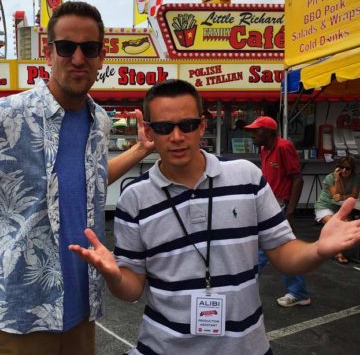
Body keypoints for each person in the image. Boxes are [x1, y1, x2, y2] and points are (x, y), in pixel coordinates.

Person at [0, 1, 153, 354]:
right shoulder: (2, 117)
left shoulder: (100, 122)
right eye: (66, 47)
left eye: (89, 49)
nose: (77, 58)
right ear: (49, 52)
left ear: (101, 57)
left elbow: (90, 178)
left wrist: (138, 150)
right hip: (17, 316)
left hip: (80, 314)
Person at [69, 79, 360, 354]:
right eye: (164, 127)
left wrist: (318, 249)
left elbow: (284, 252)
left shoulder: (245, 177)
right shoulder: (134, 197)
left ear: (202, 126)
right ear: (149, 131)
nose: (177, 136)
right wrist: (114, 276)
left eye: (188, 125)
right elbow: (131, 289)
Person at [245, 116, 310, 308]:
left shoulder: (283, 147)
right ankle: (299, 292)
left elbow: (298, 179)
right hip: (268, 204)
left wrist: (290, 212)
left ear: (270, 132)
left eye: (256, 131)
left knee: (264, 249)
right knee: (279, 249)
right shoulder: (265, 149)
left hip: (280, 207)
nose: (252, 136)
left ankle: (240, 286)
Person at [315, 156, 360, 264]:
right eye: (342, 167)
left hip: (340, 209)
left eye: (347, 168)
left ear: (352, 169)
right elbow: (335, 195)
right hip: (325, 206)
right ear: (337, 168)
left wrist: (343, 197)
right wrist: (337, 179)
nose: (344, 170)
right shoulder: (331, 177)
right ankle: (338, 253)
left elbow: (354, 195)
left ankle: (352, 253)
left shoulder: (355, 178)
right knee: (335, 227)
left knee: (350, 227)